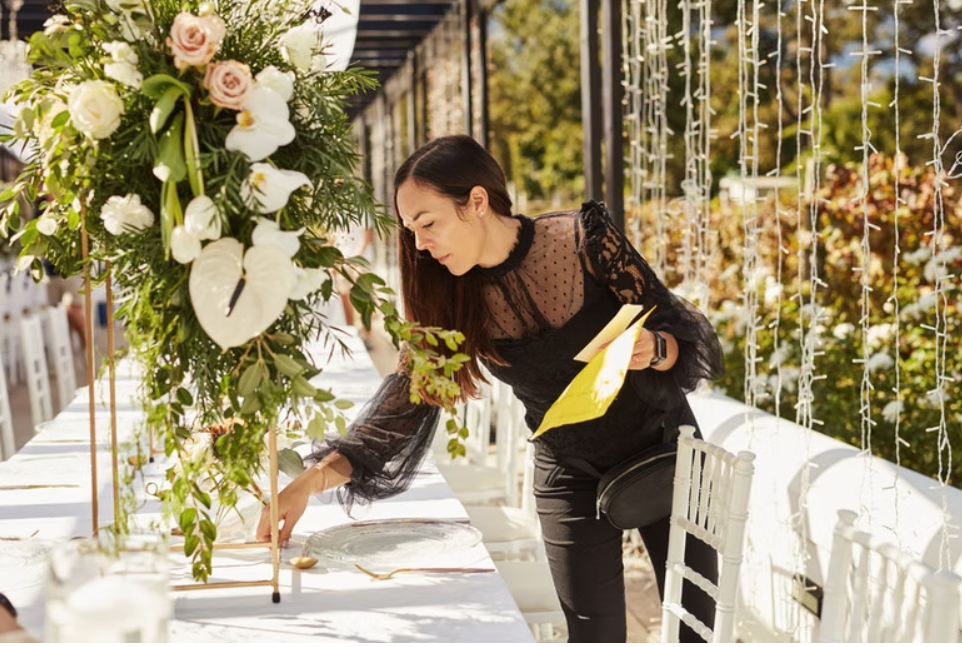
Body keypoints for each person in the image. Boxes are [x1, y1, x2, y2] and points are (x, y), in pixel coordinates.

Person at [256, 134, 724, 642]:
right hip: (568, 468)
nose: (419, 244)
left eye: (428, 223)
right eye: (410, 229)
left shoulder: (581, 239)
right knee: (593, 636)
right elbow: (408, 398)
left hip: (664, 447)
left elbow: (676, 326)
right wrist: (310, 480)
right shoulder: (448, 292)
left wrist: (654, 348)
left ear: (477, 202)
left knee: (695, 628)